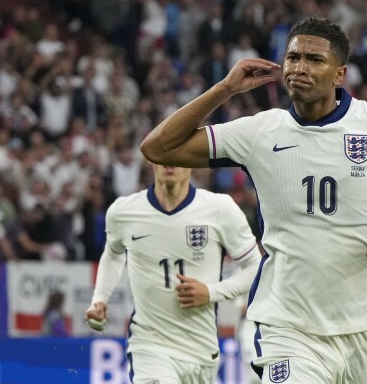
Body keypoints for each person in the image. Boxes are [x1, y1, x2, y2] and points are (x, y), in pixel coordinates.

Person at [140, 17, 367, 383]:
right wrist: (225, 89)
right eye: (293, 57)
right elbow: (157, 147)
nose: (299, 67)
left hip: (359, 329)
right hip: (287, 329)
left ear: (339, 74)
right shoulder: (260, 132)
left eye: (314, 60)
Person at [85, 163, 261, 384]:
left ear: (190, 160)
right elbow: (113, 253)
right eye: (163, 154)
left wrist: (210, 292)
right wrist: (100, 298)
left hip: (202, 353)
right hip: (150, 347)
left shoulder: (219, 209)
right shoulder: (124, 212)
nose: (169, 161)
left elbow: (256, 267)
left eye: (177, 154)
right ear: (151, 160)